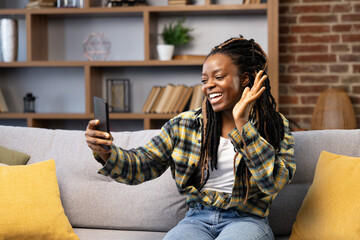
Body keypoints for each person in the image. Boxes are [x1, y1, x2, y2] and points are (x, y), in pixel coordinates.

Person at [85, 36, 296, 240]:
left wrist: (243, 124)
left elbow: (273, 183)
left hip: (248, 220)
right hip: (197, 219)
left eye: (218, 77)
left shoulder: (275, 125)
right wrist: (106, 152)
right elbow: (142, 165)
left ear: (245, 79)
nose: (208, 86)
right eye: (205, 80)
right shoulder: (184, 125)